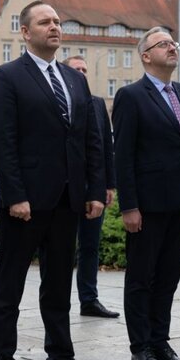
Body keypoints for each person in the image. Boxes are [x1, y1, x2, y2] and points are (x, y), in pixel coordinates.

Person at [0, 1, 105, 360]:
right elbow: (2, 144)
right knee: (9, 290)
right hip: (24, 206)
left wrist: (92, 190)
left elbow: (89, 139)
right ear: (25, 32)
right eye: (45, 22)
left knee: (58, 289)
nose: (54, 27)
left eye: (57, 21)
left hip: (67, 203)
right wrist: (16, 195)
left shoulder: (74, 80)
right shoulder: (7, 77)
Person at [113, 26, 180, 360]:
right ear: (145, 55)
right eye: (163, 44)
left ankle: (161, 341)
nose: (172, 48)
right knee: (141, 277)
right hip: (147, 206)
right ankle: (141, 348)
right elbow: (124, 155)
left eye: (173, 43)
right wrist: (129, 205)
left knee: (168, 277)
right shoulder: (131, 96)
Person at [61, 55, 119, 319]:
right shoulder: (59, 100)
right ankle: (59, 300)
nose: (82, 72)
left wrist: (109, 184)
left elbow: (106, 146)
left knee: (90, 245)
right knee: (62, 246)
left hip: (93, 187)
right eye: (77, 69)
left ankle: (89, 299)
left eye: (85, 69)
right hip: (64, 187)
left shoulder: (97, 103)